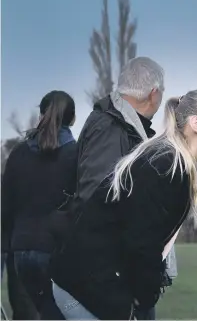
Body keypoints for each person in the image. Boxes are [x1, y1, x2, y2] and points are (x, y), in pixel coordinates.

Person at [50, 89, 197, 320]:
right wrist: (144, 297)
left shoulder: (172, 162)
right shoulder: (165, 166)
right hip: (83, 290)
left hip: (95, 286)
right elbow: (141, 244)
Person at [52, 57, 167, 319]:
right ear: (154, 93)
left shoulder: (118, 125)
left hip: (116, 270)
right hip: (108, 275)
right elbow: (97, 200)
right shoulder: (112, 128)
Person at [1, 90, 78, 317]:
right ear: (72, 119)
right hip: (55, 251)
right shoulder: (75, 154)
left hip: (20, 250)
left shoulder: (18, 153)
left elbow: (5, 208)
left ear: (41, 114)